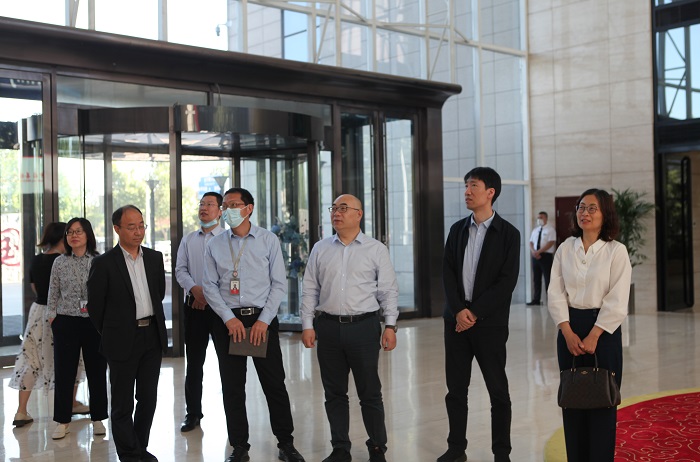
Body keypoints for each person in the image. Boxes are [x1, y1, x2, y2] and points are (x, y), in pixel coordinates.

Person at [202, 187, 305, 462]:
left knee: (274, 384)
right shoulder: (215, 245)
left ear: (249, 209)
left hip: (262, 320)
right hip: (228, 323)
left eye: (234, 205)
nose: (228, 210)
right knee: (232, 387)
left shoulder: (268, 240)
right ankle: (239, 447)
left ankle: (286, 444)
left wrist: (263, 321)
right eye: (225, 206)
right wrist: (228, 318)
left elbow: (278, 284)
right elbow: (209, 286)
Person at [300, 194, 399, 462]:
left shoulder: (375, 249)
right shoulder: (320, 248)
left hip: (364, 327)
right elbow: (310, 289)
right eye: (333, 208)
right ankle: (340, 448)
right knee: (334, 393)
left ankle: (377, 447)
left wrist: (390, 325)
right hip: (328, 327)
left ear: (359, 214)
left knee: (370, 392)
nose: (337, 213)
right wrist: (307, 324)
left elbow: (388, 291)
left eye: (343, 208)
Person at [438, 167, 520, 462]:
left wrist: (473, 313)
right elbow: (448, 273)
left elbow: (506, 282)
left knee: (498, 391)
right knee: (456, 390)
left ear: (490, 192)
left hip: (490, 325)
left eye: (473, 185)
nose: (467, 191)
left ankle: (501, 452)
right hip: (456, 323)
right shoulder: (457, 230)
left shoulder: (509, 234)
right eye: (465, 186)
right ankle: (456, 449)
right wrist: (459, 311)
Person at [547, 188, 631, 461]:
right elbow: (555, 292)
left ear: (605, 214)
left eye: (592, 208)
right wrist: (566, 330)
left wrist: (595, 334)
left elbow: (618, 299)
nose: (585, 213)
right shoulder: (565, 248)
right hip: (569, 329)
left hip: (604, 332)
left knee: (602, 400)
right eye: (581, 207)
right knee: (572, 400)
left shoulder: (616, 251)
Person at [87, 205, 167, 462]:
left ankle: (139, 448)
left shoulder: (154, 258)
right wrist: (113, 331)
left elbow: (158, 293)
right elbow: (95, 307)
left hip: (151, 336)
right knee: (122, 403)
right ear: (117, 229)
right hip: (121, 339)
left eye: (141, 225)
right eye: (131, 227)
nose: (138, 231)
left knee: (148, 399)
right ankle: (130, 455)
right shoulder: (104, 263)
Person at [9, 222, 88, 427]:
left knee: (31, 359)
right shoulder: (65, 261)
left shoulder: (37, 260)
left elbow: (35, 287)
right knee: (72, 357)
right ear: (63, 238)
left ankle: (21, 411)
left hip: (38, 312)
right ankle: (71, 403)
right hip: (62, 314)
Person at [47, 218, 109, 440]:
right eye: (70, 232)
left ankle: (98, 418)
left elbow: (107, 292)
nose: (74, 236)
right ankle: (62, 421)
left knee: (97, 371)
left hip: (93, 323)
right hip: (66, 321)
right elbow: (53, 291)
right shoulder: (59, 262)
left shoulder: (99, 261)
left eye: (78, 231)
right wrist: (52, 317)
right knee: (64, 373)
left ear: (87, 235)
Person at [175, 191, 225, 432]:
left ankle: (233, 416)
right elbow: (180, 270)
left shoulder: (228, 239)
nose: (204, 208)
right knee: (194, 364)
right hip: (194, 308)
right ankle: (193, 413)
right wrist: (196, 291)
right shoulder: (188, 240)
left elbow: (230, 274)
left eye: (210, 204)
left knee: (228, 365)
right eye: (201, 203)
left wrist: (207, 296)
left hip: (222, 310)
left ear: (220, 211)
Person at [526, 211, 556, 306]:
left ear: (546, 218)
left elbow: (551, 242)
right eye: (538, 218)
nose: (539, 219)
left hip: (546, 256)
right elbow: (531, 242)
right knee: (536, 278)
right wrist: (534, 252)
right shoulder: (535, 230)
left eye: (541, 217)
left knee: (547, 278)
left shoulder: (550, 229)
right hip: (535, 256)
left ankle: (550, 300)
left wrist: (539, 251)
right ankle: (536, 299)